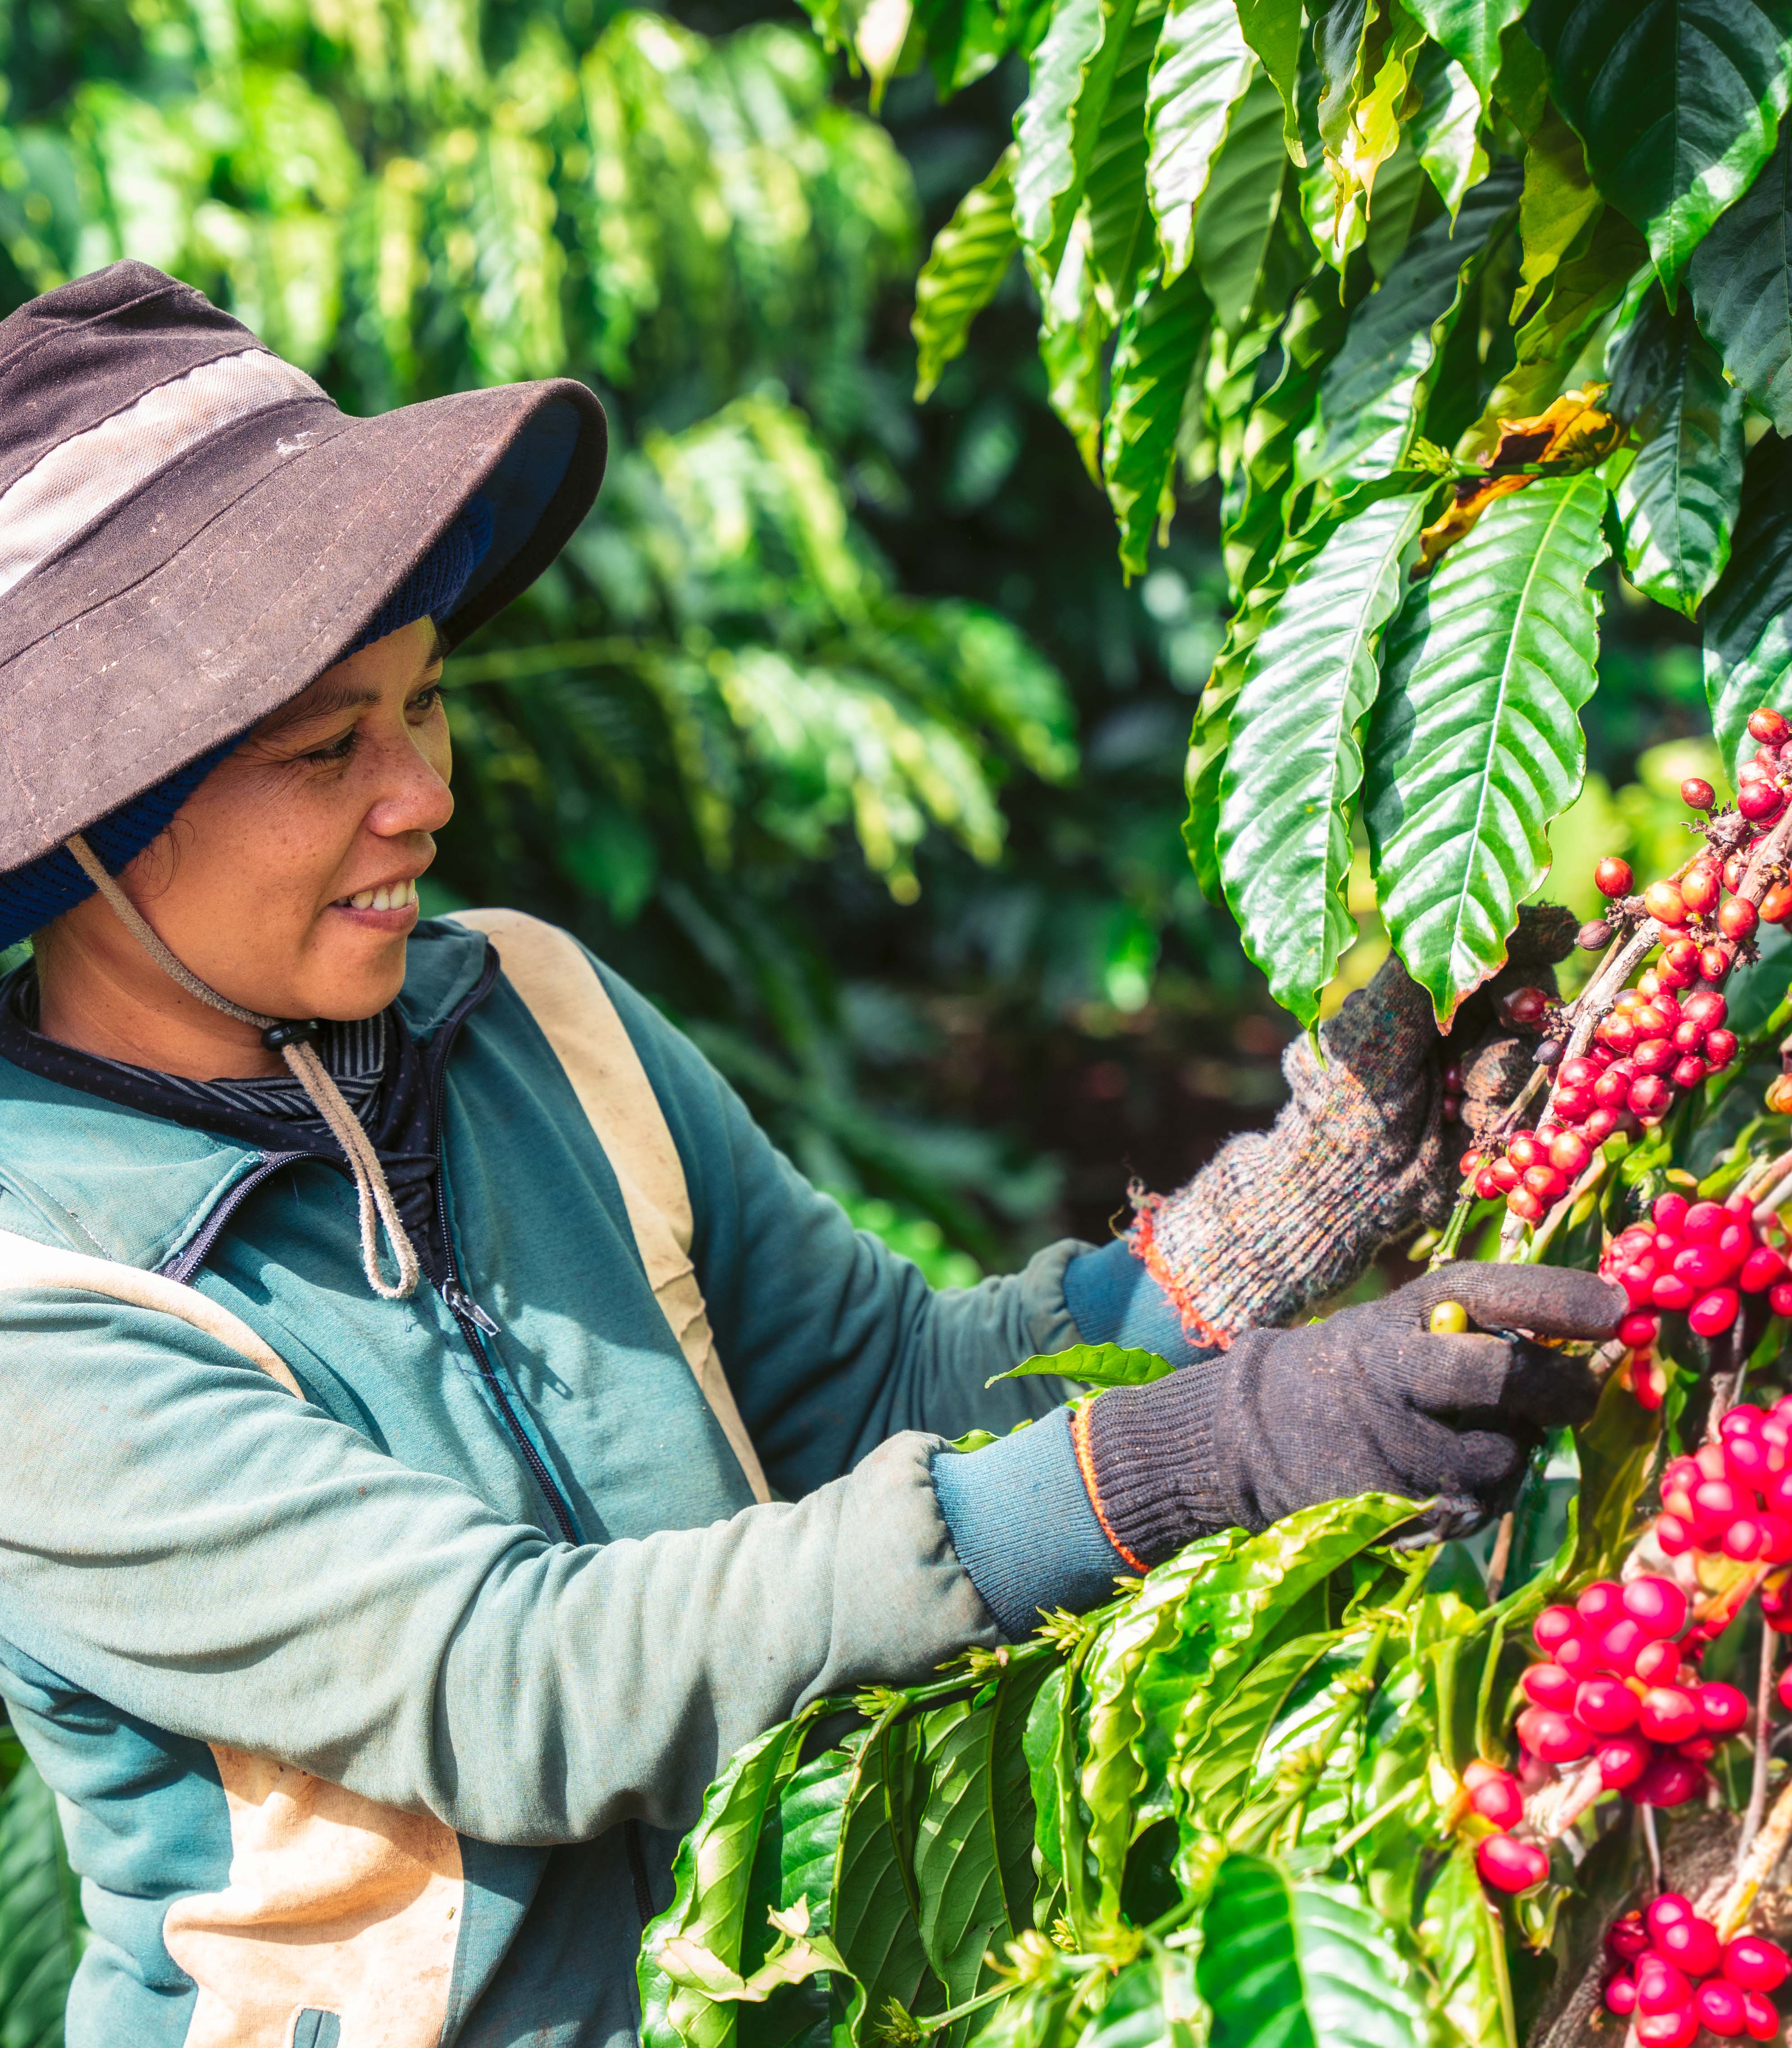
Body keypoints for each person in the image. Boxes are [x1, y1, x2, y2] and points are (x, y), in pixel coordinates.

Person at [0, 263, 1623, 2048]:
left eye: (425, 703)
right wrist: (1204, 1457)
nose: (421, 794)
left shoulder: (535, 1011)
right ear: (98, 820)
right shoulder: (36, 1305)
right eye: (328, 749)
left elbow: (877, 1389)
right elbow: (521, 1681)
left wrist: (1312, 1189)